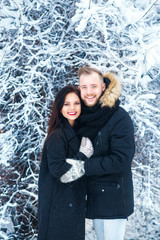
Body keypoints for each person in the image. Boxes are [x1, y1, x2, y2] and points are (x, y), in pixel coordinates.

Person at [65, 66, 135, 240]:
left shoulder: (119, 117)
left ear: (103, 87)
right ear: (79, 88)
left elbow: (121, 160)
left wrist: (83, 167)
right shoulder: (81, 117)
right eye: (84, 87)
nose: (89, 92)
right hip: (94, 196)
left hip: (114, 197)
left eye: (94, 86)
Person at [38, 85, 93, 240]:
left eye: (76, 103)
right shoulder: (57, 135)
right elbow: (59, 172)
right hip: (57, 207)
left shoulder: (78, 133)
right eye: (67, 104)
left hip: (71, 205)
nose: (72, 108)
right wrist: (82, 156)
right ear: (59, 107)